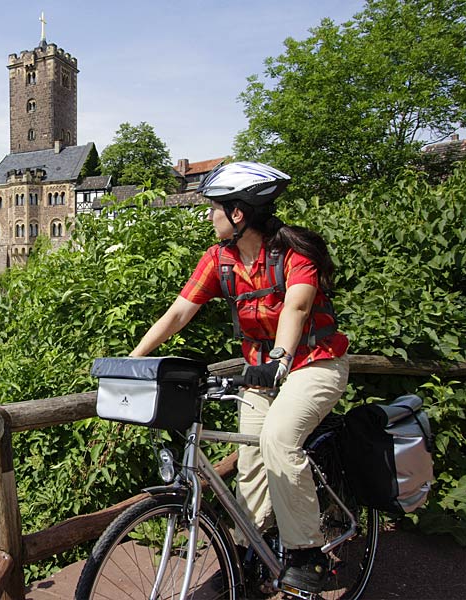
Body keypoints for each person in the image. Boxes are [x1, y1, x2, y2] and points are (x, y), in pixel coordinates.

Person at [130, 161, 349, 593]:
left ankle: (308, 554)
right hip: (260, 373)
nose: (209, 216)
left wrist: (280, 358)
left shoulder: (294, 253)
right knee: (249, 462)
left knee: (279, 440)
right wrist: (132, 360)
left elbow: (297, 307)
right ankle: (250, 557)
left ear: (238, 213)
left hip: (315, 363)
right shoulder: (220, 259)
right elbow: (179, 313)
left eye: (215, 208)